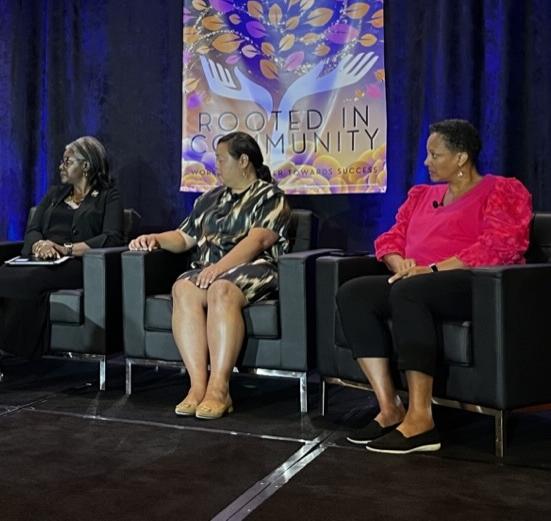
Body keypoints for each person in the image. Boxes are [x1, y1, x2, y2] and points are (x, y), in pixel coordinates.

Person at [337, 119, 531, 454]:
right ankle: (389, 408)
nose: (426, 162)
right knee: (355, 293)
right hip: (417, 280)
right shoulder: (422, 195)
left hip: (472, 284)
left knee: (409, 292)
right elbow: (391, 238)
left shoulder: (502, 190)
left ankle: (421, 419)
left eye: (434, 154)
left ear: (461, 158)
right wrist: (400, 263)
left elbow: (500, 246)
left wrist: (431, 269)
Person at [130, 131, 291, 419]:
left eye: (220, 159)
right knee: (183, 289)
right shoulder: (209, 199)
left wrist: (219, 269)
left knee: (221, 289)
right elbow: (184, 237)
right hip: (211, 270)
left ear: (244, 161)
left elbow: (257, 242)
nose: (215, 164)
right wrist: (154, 238)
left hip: (256, 267)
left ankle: (220, 388)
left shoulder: (270, 196)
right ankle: (197, 386)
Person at [0, 136, 124, 389]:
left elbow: (112, 237)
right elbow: (33, 230)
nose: (61, 166)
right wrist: (40, 245)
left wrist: (65, 248)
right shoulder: (55, 194)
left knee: (28, 281)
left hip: (76, 262)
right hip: (40, 258)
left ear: (87, 166)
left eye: (67, 161)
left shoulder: (108, 197)